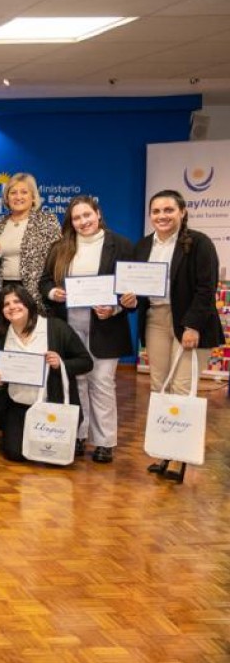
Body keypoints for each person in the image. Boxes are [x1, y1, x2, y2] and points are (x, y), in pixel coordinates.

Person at [122, 189, 222, 482]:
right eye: (156, 211)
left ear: (182, 212)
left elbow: (206, 289)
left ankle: (181, 458)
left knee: (182, 389)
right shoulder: (142, 247)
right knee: (158, 388)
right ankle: (165, 451)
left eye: (168, 210)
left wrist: (192, 326)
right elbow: (137, 289)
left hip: (189, 322)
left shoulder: (199, 243)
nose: (162, 216)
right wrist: (127, 300)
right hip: (155, 320)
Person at [40, 196, 134, 464]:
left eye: (87, 215)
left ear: (98, 214)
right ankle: (78, 435)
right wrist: (53, 292)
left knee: (102, 383)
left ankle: (105, 442)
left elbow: (131, 288)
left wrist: (114, 308)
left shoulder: (121, 245)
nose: (83, 222)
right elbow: (45, 281)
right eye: (77, 218)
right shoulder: (60, 247)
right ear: (71, 222)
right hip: (69, 324)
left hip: (106, 324)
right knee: (76, 380)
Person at [0, 284, 93, 463]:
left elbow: (86, 362)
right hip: (19, 405)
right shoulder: (0, 336)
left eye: (17, 301)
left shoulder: (55, 327)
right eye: (6, 304)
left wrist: (60, 364)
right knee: (15, 454)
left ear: (28, 304)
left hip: (51, 405)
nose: (12, 307)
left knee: (52, 457)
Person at [0, 173, 60, 314]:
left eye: (24, 192)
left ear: (33, 196)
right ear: (7, 197)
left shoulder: (47, 221)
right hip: (4, 290)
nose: (18, 197)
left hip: (36, 292)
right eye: (13, 192)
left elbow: (59, 256)